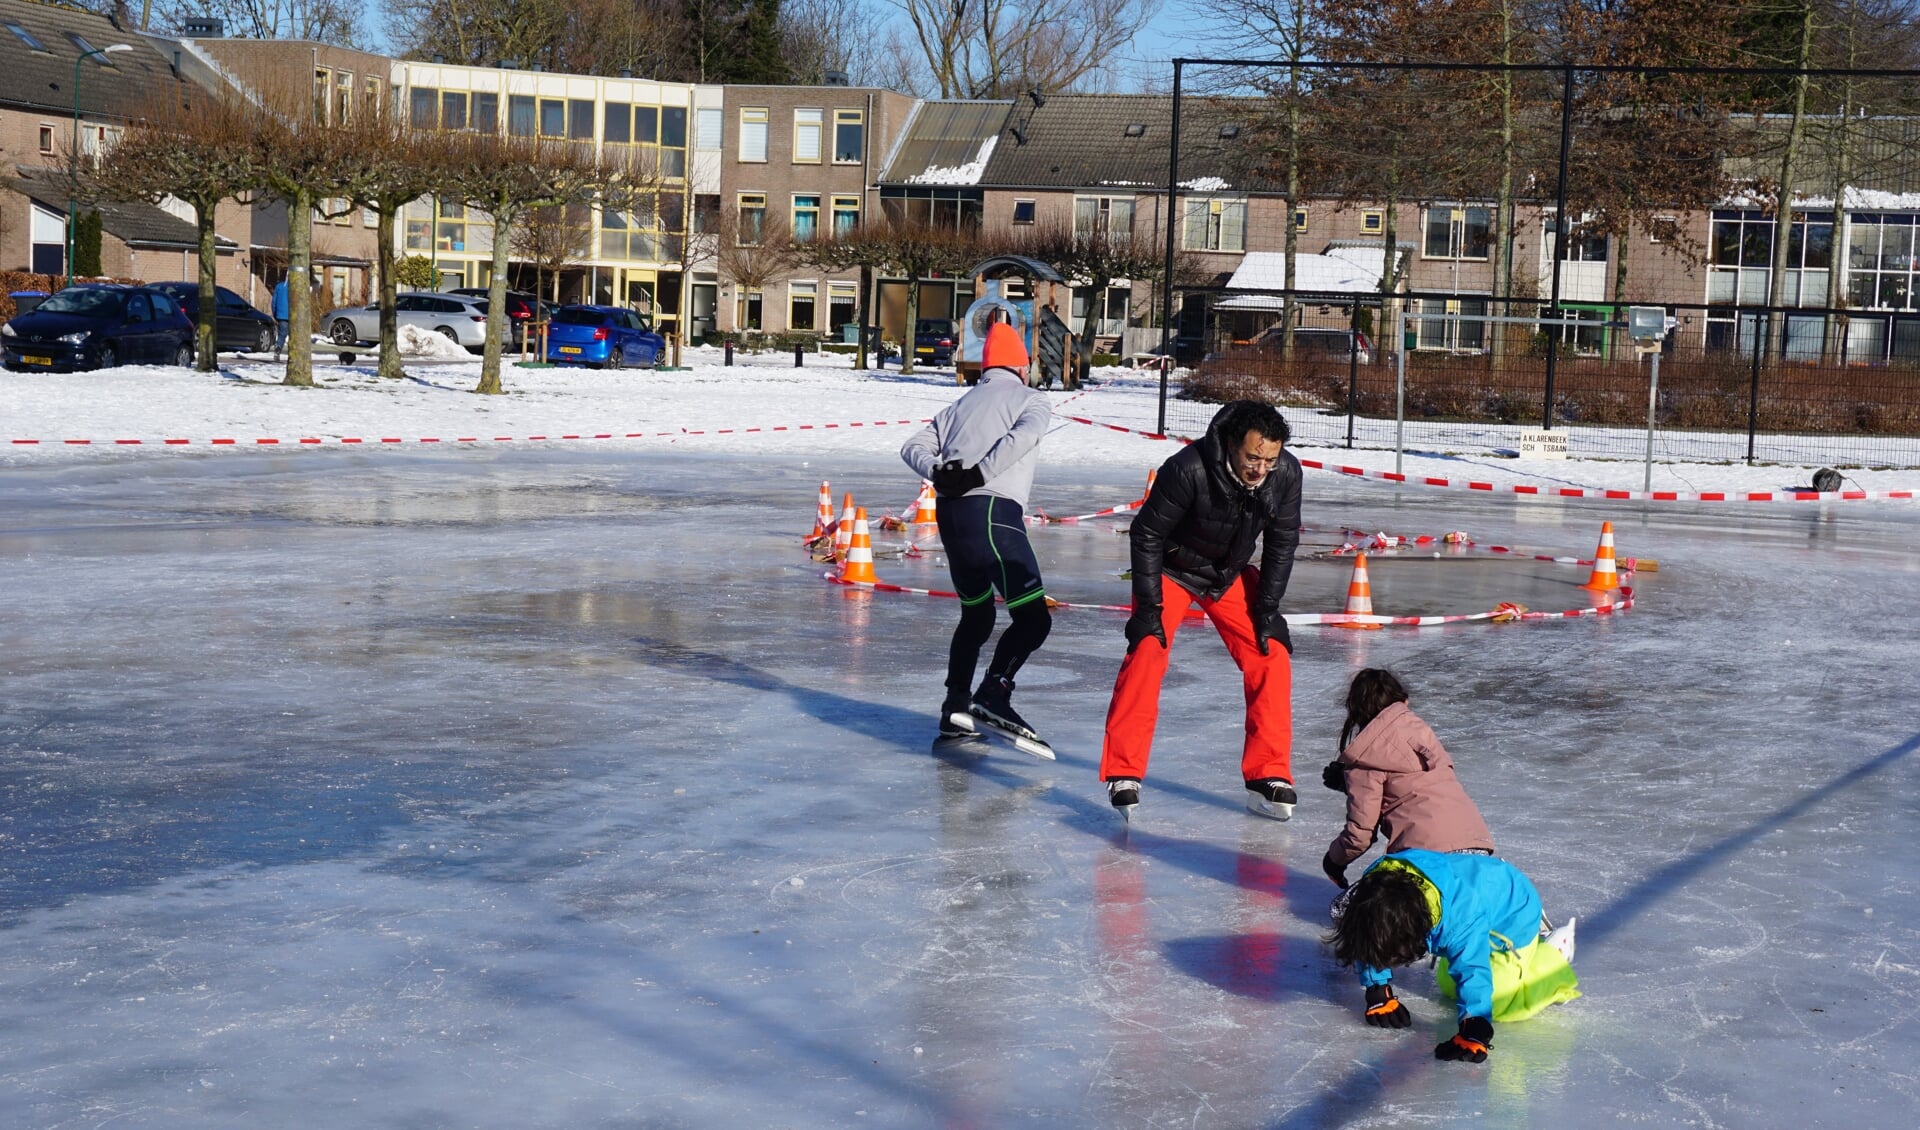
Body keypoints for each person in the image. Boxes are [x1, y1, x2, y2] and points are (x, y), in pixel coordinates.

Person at [1099, 400, 1301, 819]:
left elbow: (1282, 543)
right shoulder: (1187, 469)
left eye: (1269, 459)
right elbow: (1147, 534)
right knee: (1148, 650)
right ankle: (1124, 771)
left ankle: (1269, 774)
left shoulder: (1285, 475)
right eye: (1252, 457)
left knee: (1271, 653)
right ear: (1231, 445)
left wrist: (1268, 610)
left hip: (1226, 575)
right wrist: (1148, 609)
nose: (1260, 469)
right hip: (1172, 571)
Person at [899, 321, 1053, 752]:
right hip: (994, 511)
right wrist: (979, 474)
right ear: (1022, 367)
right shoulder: (1031, 398)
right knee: (1033, 618)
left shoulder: (957, 407)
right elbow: (1024, 438)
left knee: (977, 616)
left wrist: (938, 471)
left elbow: (911, 445)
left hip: (951, 515)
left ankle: (954, 707)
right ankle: (994, 694)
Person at [1327, 850, 1580, 1063]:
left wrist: (1475, 1025)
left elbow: (1473, 969)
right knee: (1449, 987)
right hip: (1477, 898)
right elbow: (1369, 937)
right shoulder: (1377, 890)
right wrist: (1377, 989)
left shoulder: (1461, 920)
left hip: (1513, 916)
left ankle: (1551, 953)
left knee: (1501, 1000)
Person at [1320, 669, 1495, 888]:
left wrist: (1333, 862)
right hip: (1477, 849)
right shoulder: (1422, 734)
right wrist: (1349, 784)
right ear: (1404, 701)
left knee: (1349, 910)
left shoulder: (1366, 755)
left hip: (1426, 861)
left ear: (1355, 711)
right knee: (1463, 899)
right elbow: (1411, 785)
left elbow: (1360, 835)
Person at [271, 275, 290, 357]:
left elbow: (274, 302)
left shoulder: (279, 286)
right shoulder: (298, 288)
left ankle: (278, 347)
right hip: (293, 315)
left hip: (281, 315)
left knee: (282, 334)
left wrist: (275, 313)